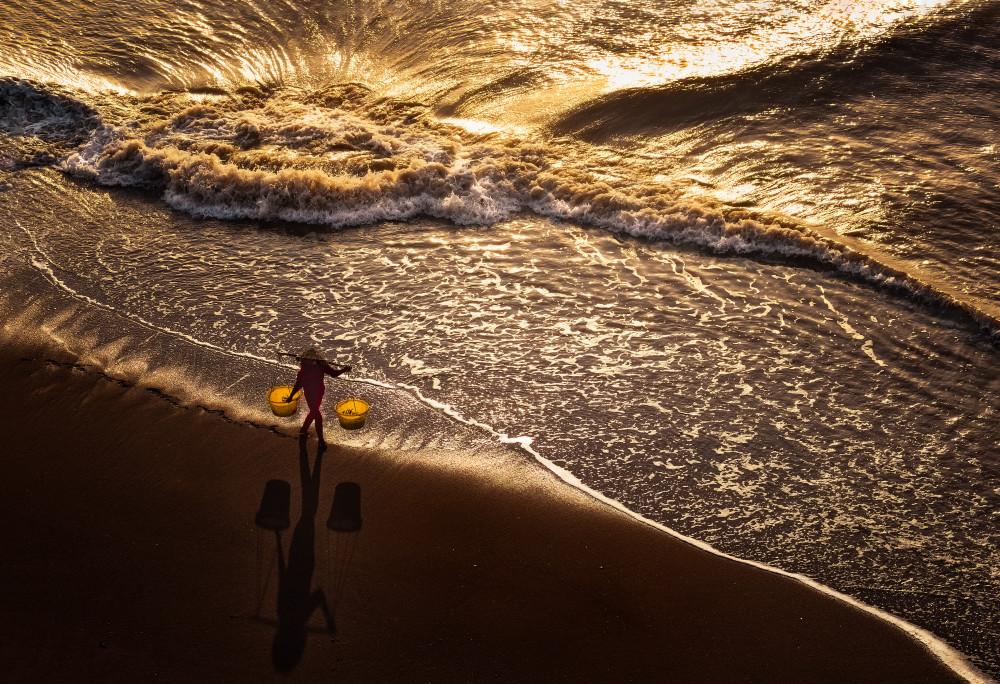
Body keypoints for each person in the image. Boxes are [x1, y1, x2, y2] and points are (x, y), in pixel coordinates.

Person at [286, 347, 351, 449]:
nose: (310, 361)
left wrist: (344, 370)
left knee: (313, 412)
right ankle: (321, 440)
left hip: (319, 393)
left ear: (316, 359)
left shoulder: (321, 366)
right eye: (307, 359)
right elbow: (298, 385)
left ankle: (303, 430)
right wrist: (291, 396)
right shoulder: (303, 371)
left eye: (312, 359)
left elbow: (334, 374)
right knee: (317, 415)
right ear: (304, 360)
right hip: (310, 395)